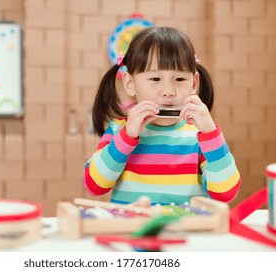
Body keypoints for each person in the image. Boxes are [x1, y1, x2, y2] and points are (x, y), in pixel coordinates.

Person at [83, 26, 241, 206]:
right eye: (155, 79)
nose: (168, 91)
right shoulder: (119, 131)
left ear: (194, 83)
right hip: (134, 231)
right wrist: (126, 137)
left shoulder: (201, 136)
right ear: (130, 83)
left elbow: (226, 194)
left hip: (185, 231)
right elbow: (94, 186)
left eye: (180, 79)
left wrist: (212, 135)